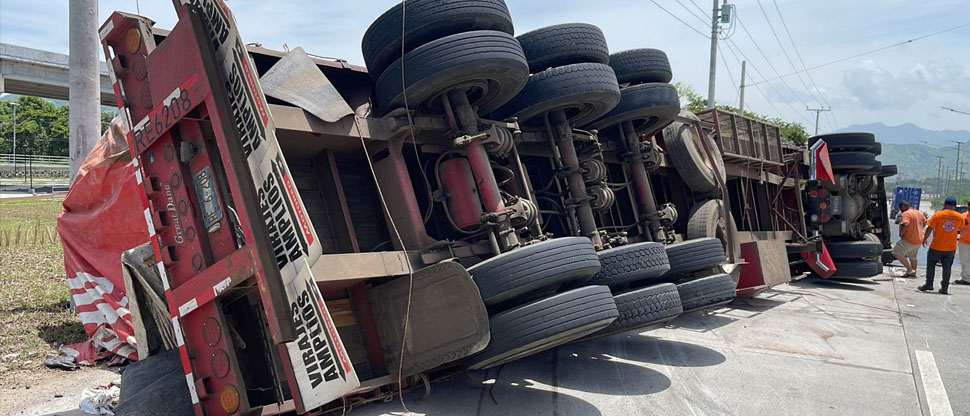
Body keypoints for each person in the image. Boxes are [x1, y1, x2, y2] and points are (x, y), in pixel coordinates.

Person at [921, 196, 967, 294]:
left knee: (931, 264)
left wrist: (925, 238)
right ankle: (944, 287)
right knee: (947, 267)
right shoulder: (959, 217)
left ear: (945, 204)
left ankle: (929, 284)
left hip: (936, 246)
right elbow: (961, 228)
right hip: (950, 247)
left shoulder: (938, 214)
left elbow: (930, 227)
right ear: (955, 206)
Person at [892, 200, 925, 277]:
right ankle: (913, 273)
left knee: (896, 252)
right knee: (912, 256)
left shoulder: (906, 214)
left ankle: (910, 270)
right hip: (919, 239)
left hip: (909, 239)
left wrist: (901, 233)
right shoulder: (919, 213)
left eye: (900, 208)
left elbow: (906, 224)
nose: (901, 210)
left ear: (903, 206)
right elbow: (924, 223)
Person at [957, 201, 970, 286]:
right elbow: (957, 228)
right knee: (964, 261)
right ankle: (966, 278)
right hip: (964, 241)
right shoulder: (963, 216)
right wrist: (962, 224)